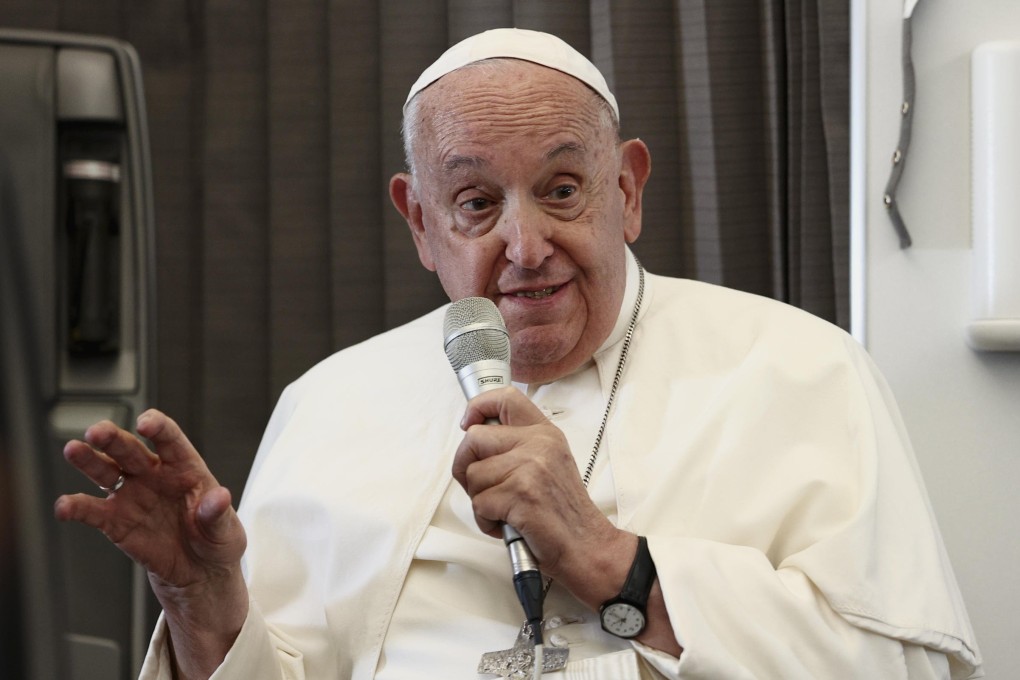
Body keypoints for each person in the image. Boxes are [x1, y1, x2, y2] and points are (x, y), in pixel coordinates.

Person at [55, 28, 982, 680]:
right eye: (475, 204)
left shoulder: (803, 369)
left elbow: (902, 666)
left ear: (629, 188)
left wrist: (616, 563)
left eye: (565, 188)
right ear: (419, 223)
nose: (527, 244)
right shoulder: (328, 403)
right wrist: (203, 600)